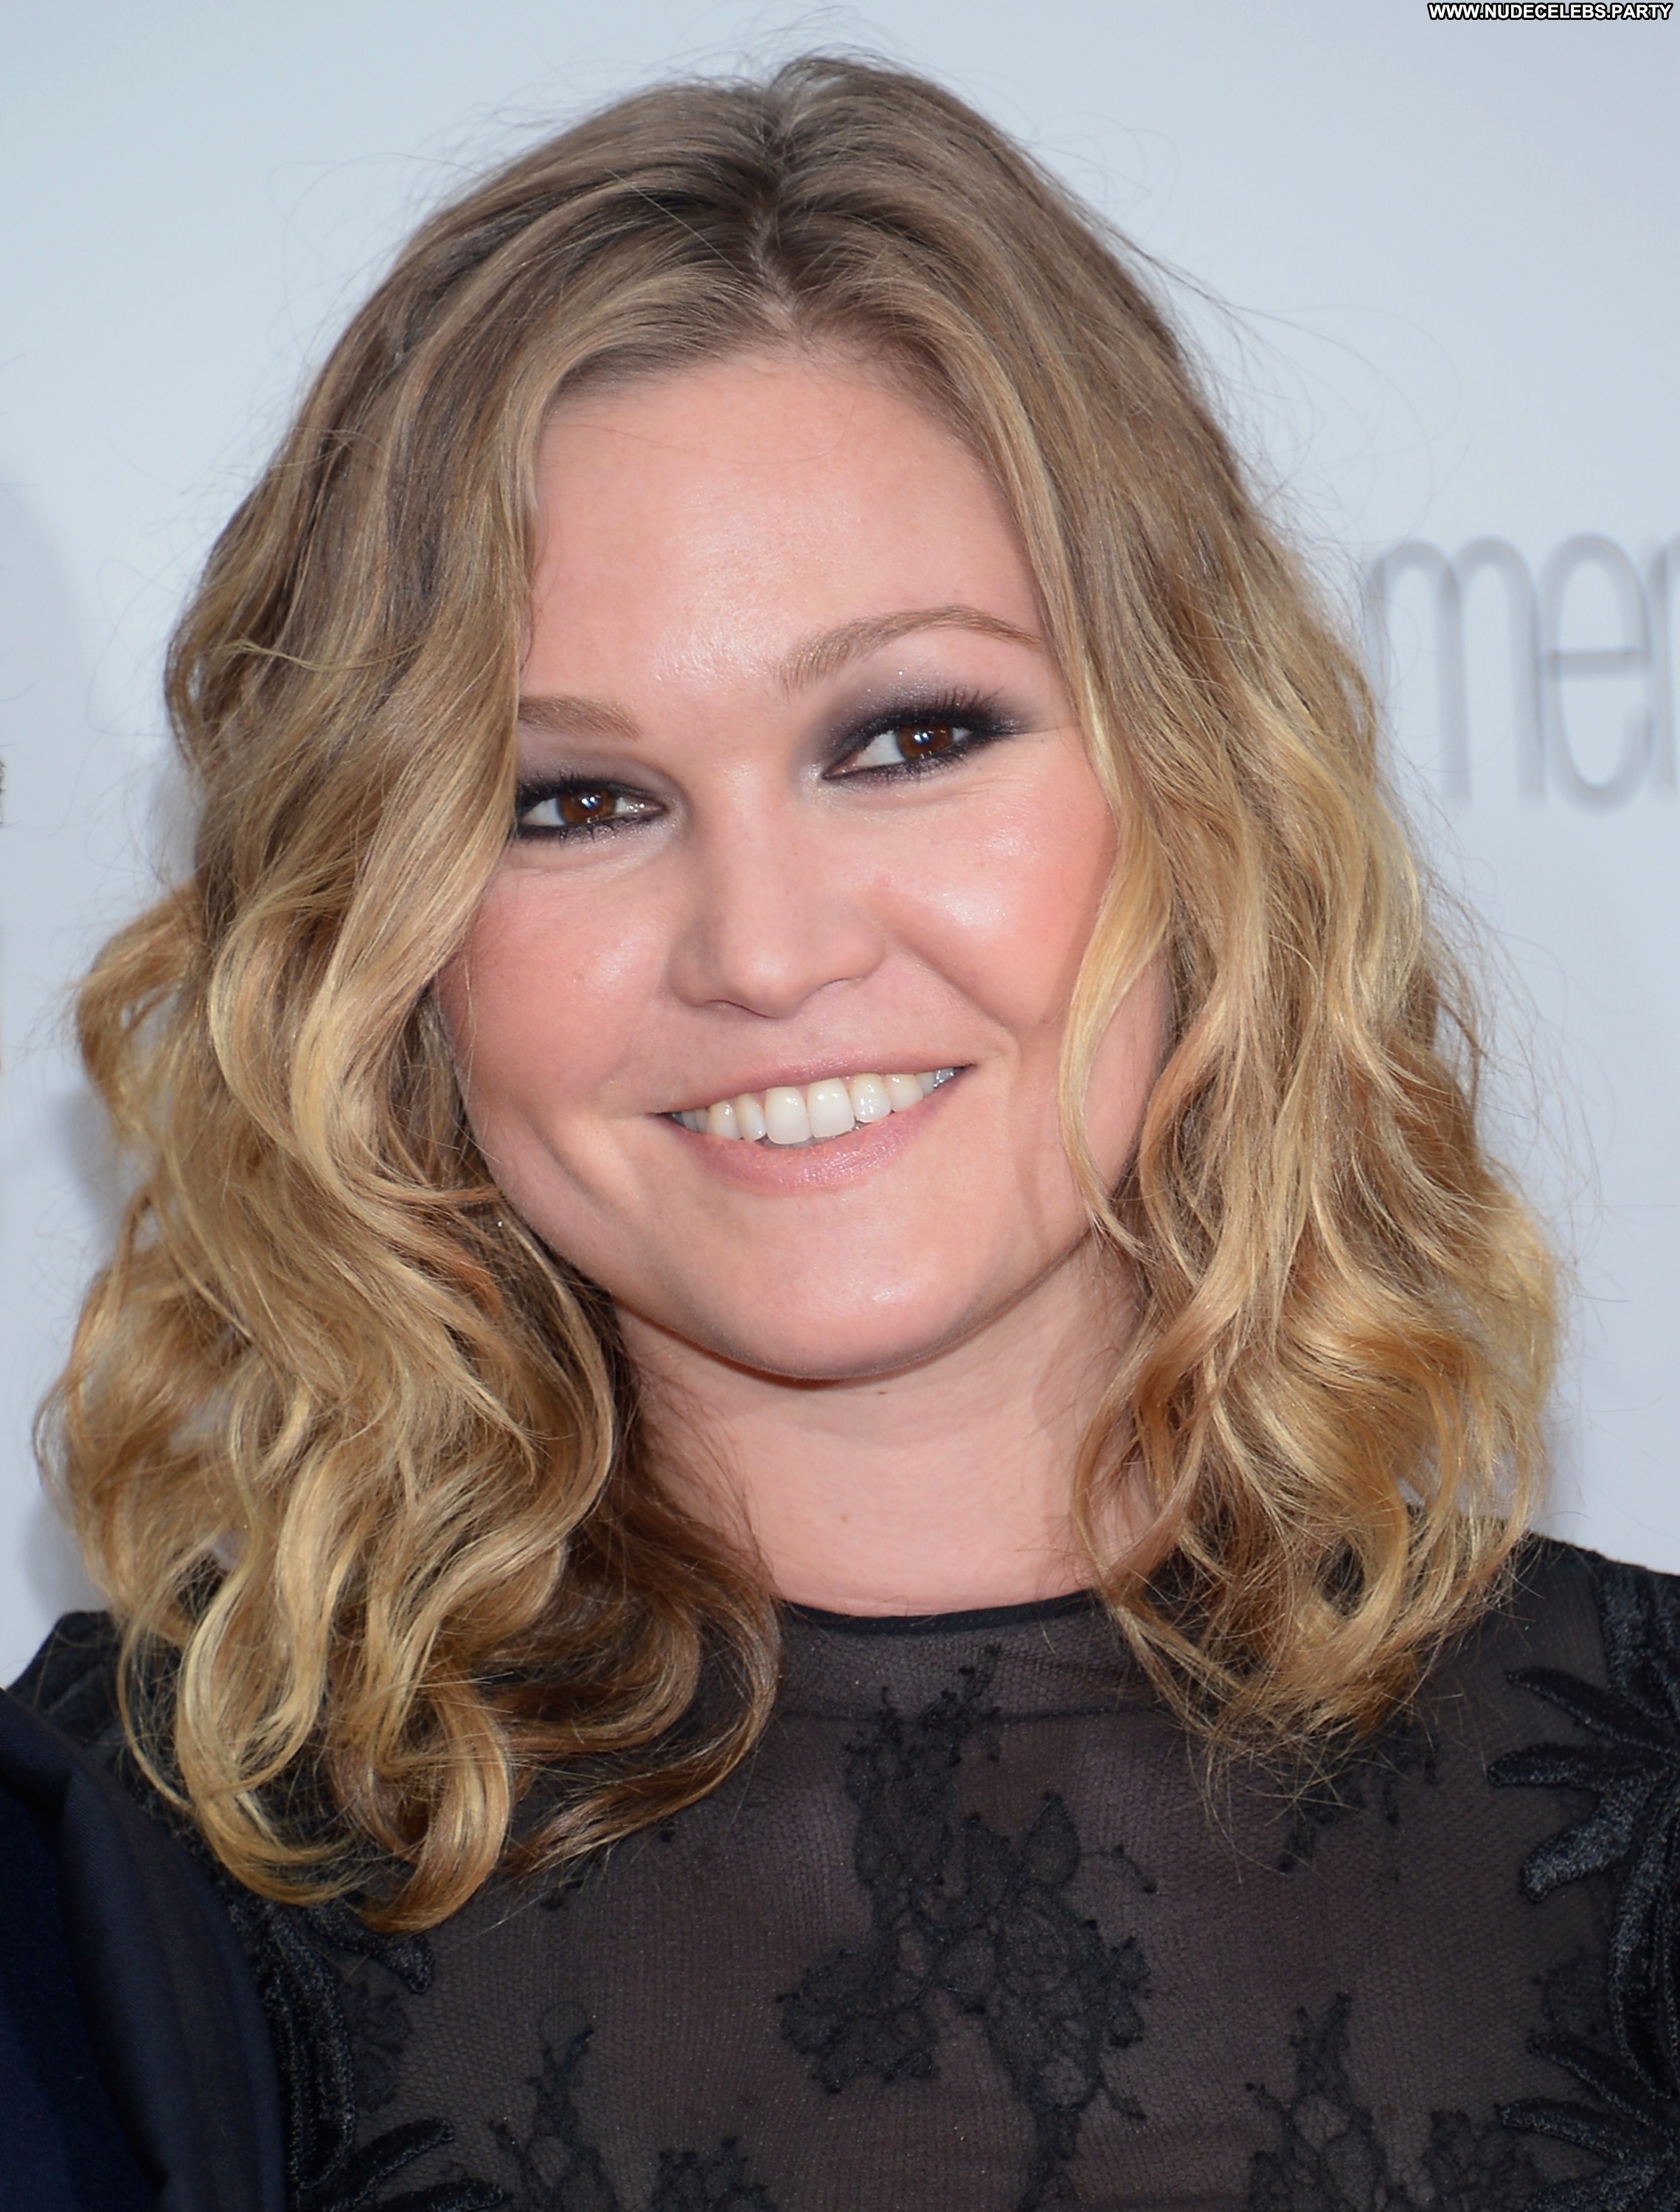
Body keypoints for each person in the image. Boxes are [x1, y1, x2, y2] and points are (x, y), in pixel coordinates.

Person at [10, 52, 1677, 2212]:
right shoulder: (120, 1903)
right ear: (390, 950)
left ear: (1203, 789)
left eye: (907, 737)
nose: (767, 952)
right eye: (573, 801)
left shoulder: (1643, 1797)